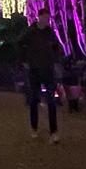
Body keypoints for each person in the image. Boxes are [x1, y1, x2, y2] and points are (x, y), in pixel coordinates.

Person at [20, 10, 62, 142]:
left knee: (51, 101)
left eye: (48, 18)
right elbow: (20, 44)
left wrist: (55, 60)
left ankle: (54, 131)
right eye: (44, 17)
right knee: (34, 99)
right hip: (35, 69)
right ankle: (34, 127)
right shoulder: (30, 32)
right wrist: (25, 60)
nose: (46, 20)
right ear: (39, 17)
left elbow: (57, 47)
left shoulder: (50, 33)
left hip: (48, 69)